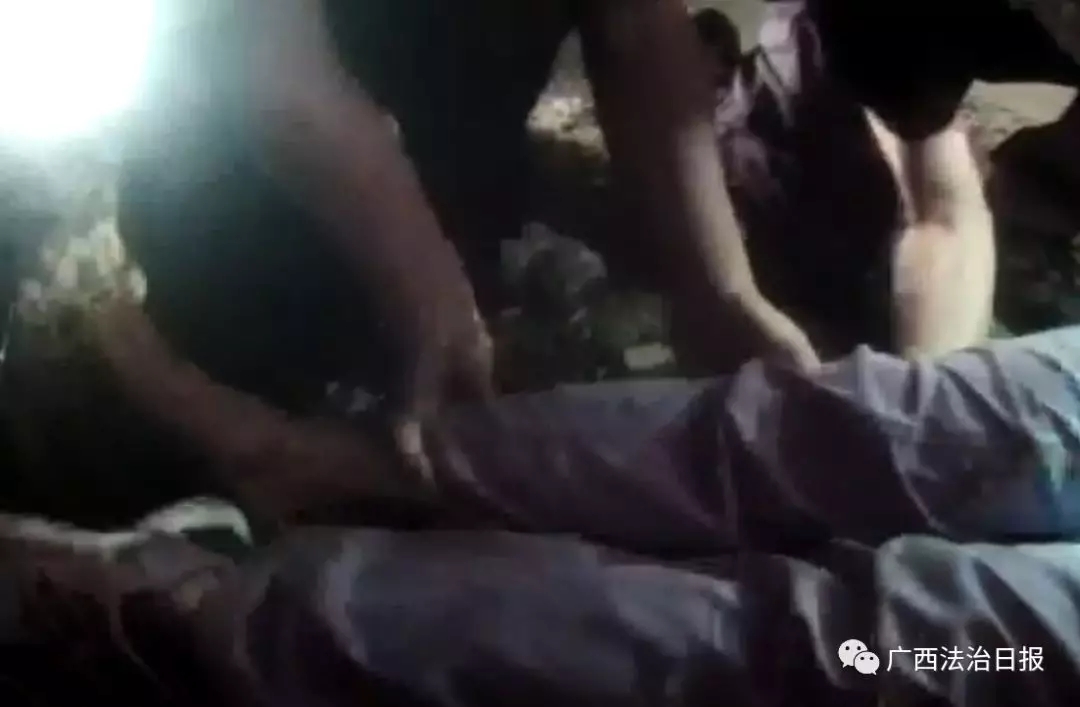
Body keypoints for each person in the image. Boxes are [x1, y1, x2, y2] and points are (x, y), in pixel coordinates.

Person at [119, 0, 820, 466]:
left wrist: (720, 290)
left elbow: (636, 23)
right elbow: (268, 66)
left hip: (454, 176)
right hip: (236, 207)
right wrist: (428, 298)